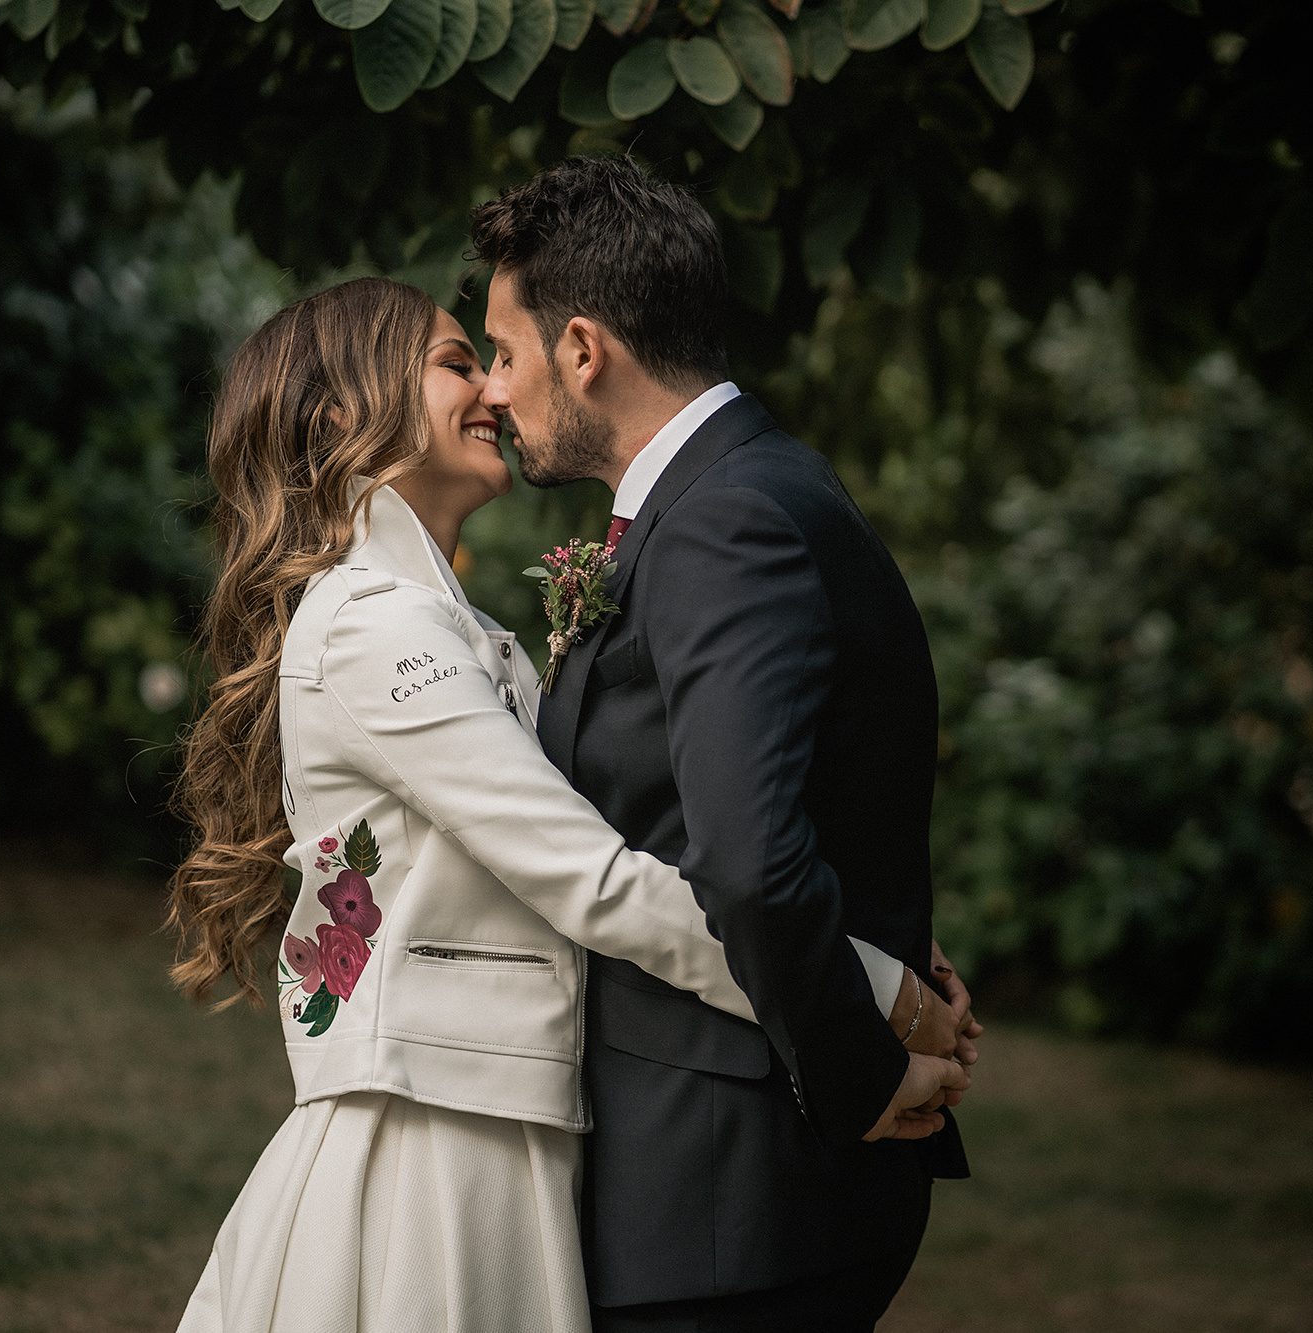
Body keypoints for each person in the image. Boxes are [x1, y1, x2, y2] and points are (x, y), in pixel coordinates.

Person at [164, 276, 970, 1331]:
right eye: (459, 361)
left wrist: (839, 933)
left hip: (506, 1120)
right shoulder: (373, 629)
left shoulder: (448, 626)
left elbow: (655, 829)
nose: (494, 390)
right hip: (435, 1143)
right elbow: (588, 878)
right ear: (338, 417)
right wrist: (868, 985)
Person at [468, 156, 976, 1332]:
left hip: (731, 1198)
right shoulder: (746, 490)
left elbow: (747, 858)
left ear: (582, 349)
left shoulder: (723, 522)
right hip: (719, 1193)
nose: (493, 390)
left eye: (502, 350)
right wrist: (887, 967)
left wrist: (864, 1077)